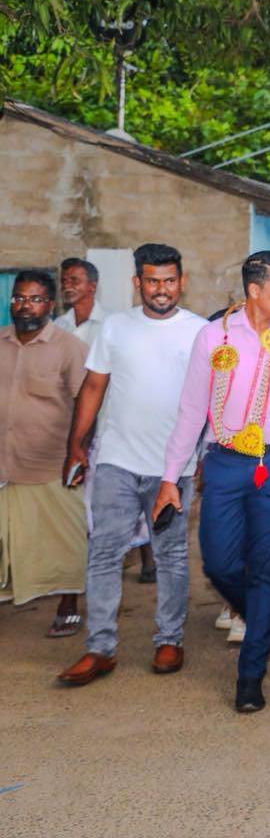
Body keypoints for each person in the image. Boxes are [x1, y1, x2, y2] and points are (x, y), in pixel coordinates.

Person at [154, 251, 270, 713]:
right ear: (255, 290)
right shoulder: (214, 336)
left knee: (267, 564)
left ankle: (250, 676)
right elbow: (192, 410)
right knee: (219, 563)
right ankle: (263, 614)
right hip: (226, 461)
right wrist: (170, 477)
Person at [57, 245, 208, 685]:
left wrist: (203, 455)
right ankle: (99, 648)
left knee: (171, 555)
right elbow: (93, 387)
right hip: (117, 461)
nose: (162, 289)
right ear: (137, 282)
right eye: (152, 281)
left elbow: (211, 399)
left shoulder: (201, 332)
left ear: (182, 282)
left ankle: (170, 639)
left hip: (173, 468)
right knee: (104, 552)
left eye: (170, 281)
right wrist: (76, 445)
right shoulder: (116, 327)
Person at [0, 270, 90, 636]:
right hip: (4, 462)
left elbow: (87, 403)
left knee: (65, 541)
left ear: (50, 305)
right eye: (20, 298)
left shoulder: (69, 348)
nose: (26, 305)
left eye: (35, 299)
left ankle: (68, 606)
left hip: (51, 464)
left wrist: (78, 452)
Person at [55, 257, 110, 348]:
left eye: (74, 280)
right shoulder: (59, 324)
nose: (66, 286)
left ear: (93, 287)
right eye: (64, 281)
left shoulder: (111, 322)